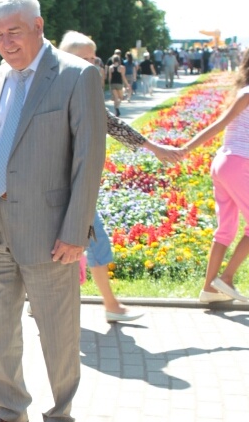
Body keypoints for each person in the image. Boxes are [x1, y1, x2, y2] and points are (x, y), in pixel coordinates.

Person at [0, 0, 105, 422]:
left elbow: (89, 159)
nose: (6, 43)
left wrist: (76, 230)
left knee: (58, 334)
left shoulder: (76, 75)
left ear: (39, 26)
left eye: (14, 32)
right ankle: (9, 410)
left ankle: (59, 420)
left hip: (51, 235)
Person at [59, 33, 179, 323]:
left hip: (77, 187)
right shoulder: (60, 91)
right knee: (93, 243)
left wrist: (154, 147)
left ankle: (105, 305)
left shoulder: (83, 91)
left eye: (95, 58)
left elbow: (113, 124)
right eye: (85, 58)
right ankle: (108, 306)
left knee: (87, 244)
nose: (93, 64)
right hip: (63, 189)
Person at [176, 48, 249, 305]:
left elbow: (222, 126)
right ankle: (226, 279)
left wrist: (185, 150)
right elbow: (217, 126)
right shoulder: (247, 94)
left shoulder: (243, 92)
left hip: (224, 164)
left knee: (226, 229)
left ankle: (209, 288)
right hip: (240, 163)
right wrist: (185, 149)